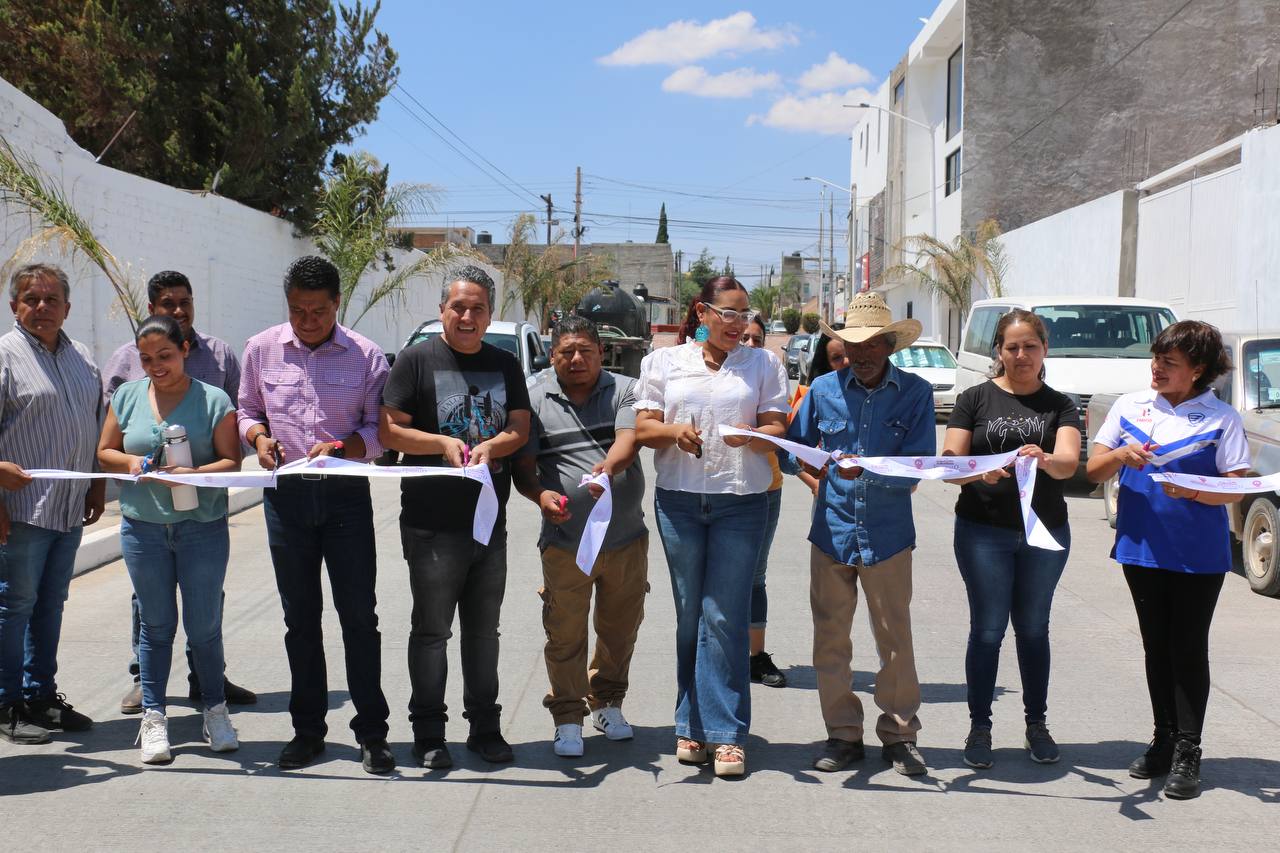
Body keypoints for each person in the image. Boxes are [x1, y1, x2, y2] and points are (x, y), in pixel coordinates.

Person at [238, 256, 394, 775]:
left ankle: (372, 732)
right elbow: (247, 411)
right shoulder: (261, 349)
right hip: (286, 501)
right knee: (300, 620)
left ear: (337, 305)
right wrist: (259, 439)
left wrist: (348, 447)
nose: (308, 321)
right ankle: (308, 732)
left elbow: (380, 433)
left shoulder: (367, 356)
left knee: (358, 618)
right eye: (298, 311)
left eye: (319, 311)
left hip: (346, 497)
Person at [634, 276, 789, 777]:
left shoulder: (764, 363)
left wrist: (753, 435)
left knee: (724, 615)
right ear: (702, 313)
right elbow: (644, 429)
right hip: (679, 502)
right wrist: (673, 431)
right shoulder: (663, 362)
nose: (738, 325)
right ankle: (690, 724)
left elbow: (777, 429)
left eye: (744, 315)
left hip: (742, 503)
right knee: (688, 615)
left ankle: (725, 733)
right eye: (729, 314)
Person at [1087, 319, 1247, 800]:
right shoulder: (1129, 406)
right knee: (1156, 647)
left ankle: (1188, 750)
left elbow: (1235, 485)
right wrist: (1120, 454)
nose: (1156, 369)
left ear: (1198, 370)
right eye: (1155, 359)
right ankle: (1162, 739)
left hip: (1198, 554)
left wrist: (1194, 492)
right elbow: (1093, 470)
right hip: (1141, 548)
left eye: (1169, 363)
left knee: (1188, 648)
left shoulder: (1223, 419)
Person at [379, 265, 531, 770]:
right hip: (431, 524)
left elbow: (519, 427)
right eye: (458, 307)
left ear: (489, 315)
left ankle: (485, 727)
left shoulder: (505, 364)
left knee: (484, 633)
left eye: (478, 308)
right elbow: (391, 431)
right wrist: (444, 442)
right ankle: (428, 734)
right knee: (432, 632)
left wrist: (492, 444)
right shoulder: (415, 361)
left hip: (489, 522)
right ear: (442, 311)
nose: (467, 316)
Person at [786, 291, 935, 776]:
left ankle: (899, 733)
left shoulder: (915, 393)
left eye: (871, 345)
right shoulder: (824, 390)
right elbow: (793, 451)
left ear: (889, 345)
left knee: (894, 638)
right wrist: (824, 472)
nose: (862, 355)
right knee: (830, 637)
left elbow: (917, 467)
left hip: (888, 536)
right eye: (853, 346)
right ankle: (842, 735)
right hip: (831, 533)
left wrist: (863, 475)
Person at [101, 270, 254, 715]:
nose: (179, 310)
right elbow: (110, 434)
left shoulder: (219, 362)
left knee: (204, 617)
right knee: (154, 618)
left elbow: (234, 432)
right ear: (152, 309)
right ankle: (149, 693)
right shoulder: (127, 376)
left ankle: (210, 692)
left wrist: (195, 475)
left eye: (185, 301)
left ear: (184, 351)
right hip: (145, 521)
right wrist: (132, 464)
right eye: (169, 303)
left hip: (201, 520)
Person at [941, 309, 1080, 769]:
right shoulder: (974, 398)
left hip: (1044, 531)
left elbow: (1066, 464)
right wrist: (981, 470)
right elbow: (950, 465)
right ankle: (980, 727)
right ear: (998, 352)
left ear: (1044, 350)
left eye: (1031, 346)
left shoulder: (1060, 404)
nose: (1021, 355)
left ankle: (1036, 724)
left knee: (1034, 629)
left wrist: (1042, 459)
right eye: (1012, 347)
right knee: (987, 630)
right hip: (983, 532)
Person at [512, 315, 647, 757]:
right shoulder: (532, 396)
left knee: (619, 629)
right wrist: (540, 495)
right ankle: (567, 716)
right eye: (566, 351)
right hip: (566, 541)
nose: (576, 359)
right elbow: (524, 471)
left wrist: (609, 467)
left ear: (600, 353)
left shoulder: (624, 388)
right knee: (565, 632)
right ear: (552, 355)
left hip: (626, 540)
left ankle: (607, 702)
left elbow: (628, 439)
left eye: (585, 351)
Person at [0, 263, 103, 745]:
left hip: (67, 509)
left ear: (67, 307)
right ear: (14, 305)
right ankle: (6, 703)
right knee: (13, 606)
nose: (41, 307)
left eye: (50, 299)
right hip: (18, 513)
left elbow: (95, 427)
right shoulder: (3, 356)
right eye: (30, 298)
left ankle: (41, 696)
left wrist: (97, 486)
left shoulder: (83, 358)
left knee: (50, 605)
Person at [739, 314, 787, 687]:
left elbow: (781, 433)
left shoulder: (770, 370)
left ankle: (755, 656)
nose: (751, 344)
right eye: (744, 338)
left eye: (757, 338)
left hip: (766, 487)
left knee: (755, 575)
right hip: (719, 488)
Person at [790, 333, 849, 496]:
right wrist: (815, 483)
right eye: (837, 358)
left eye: (851, 353)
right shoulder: (815, 394)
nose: (847, 361)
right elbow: (792, 450)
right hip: (830, 503)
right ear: (827, 364)